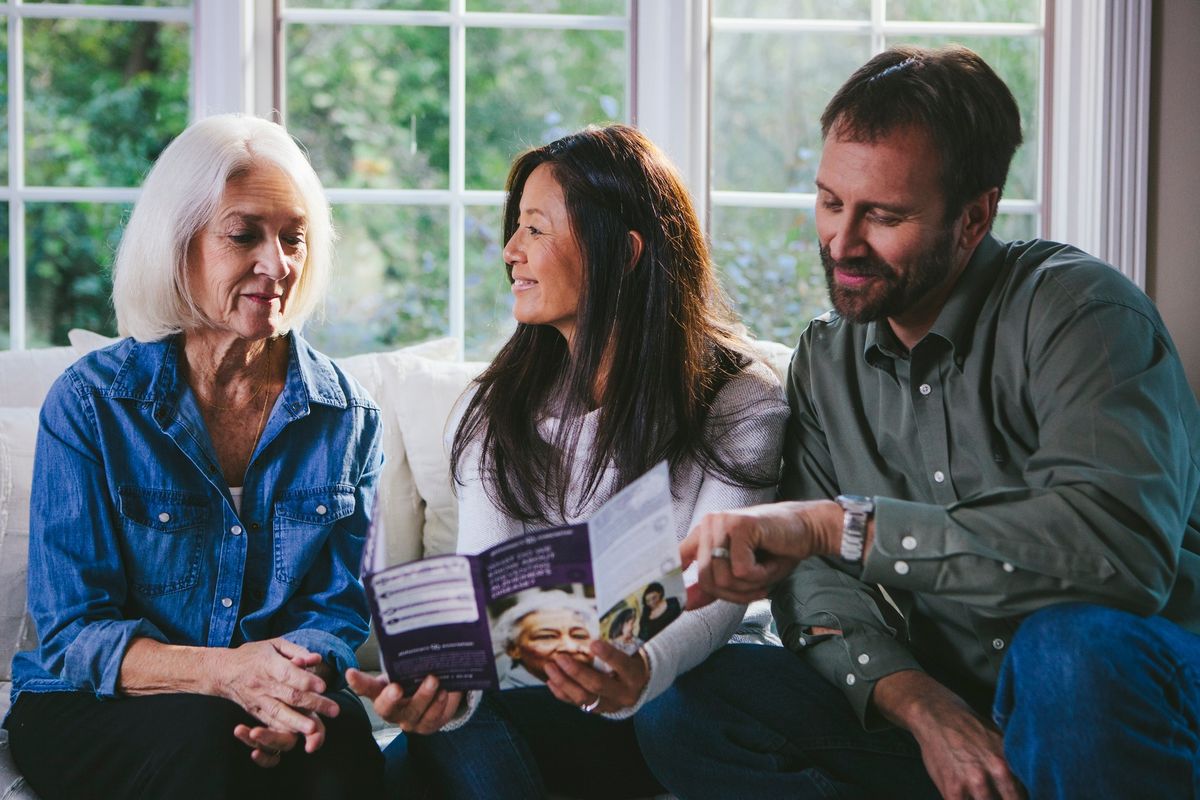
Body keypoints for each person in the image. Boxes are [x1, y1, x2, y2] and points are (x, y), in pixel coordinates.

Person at [640, 45, 1200, 800]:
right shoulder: (826, 359)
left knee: (1067, 652)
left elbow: (1117, 556)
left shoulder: (1084, 315)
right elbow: (816, 582)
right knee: (700, 701)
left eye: (884, 216)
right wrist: (921, 704)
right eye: (831, 202)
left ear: (974, 219)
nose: (840, 243)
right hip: (960, 707)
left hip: (1126, 694)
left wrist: (840, 525)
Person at [347, 123, 789, 798]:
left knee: (672, 714)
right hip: (545, 705)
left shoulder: (738, 400)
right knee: (428, 748)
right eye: (515, 228)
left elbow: (719, 597)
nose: (510, 252)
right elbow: (484, 604)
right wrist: (445, 696)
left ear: (625, 251)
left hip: (678, 701)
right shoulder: (498, 409)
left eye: (535, 229)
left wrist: (640, 671)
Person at [3, 114, 386, 799]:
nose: (278, 264)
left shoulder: (348, 415)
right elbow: (73, 633)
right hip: (97, 697)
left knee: (344, 754)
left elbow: (334, 612)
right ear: (178, 246)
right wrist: (226, 674)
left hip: (266, 694)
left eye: (293, 237)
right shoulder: (90, 405)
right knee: (211, 748)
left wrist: (286, 690)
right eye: (244, 235)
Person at [494, 589, 598, 688]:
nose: (570, 647)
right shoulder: (497, 702)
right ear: (513, 649)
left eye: (579, 636)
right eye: (546, 636)